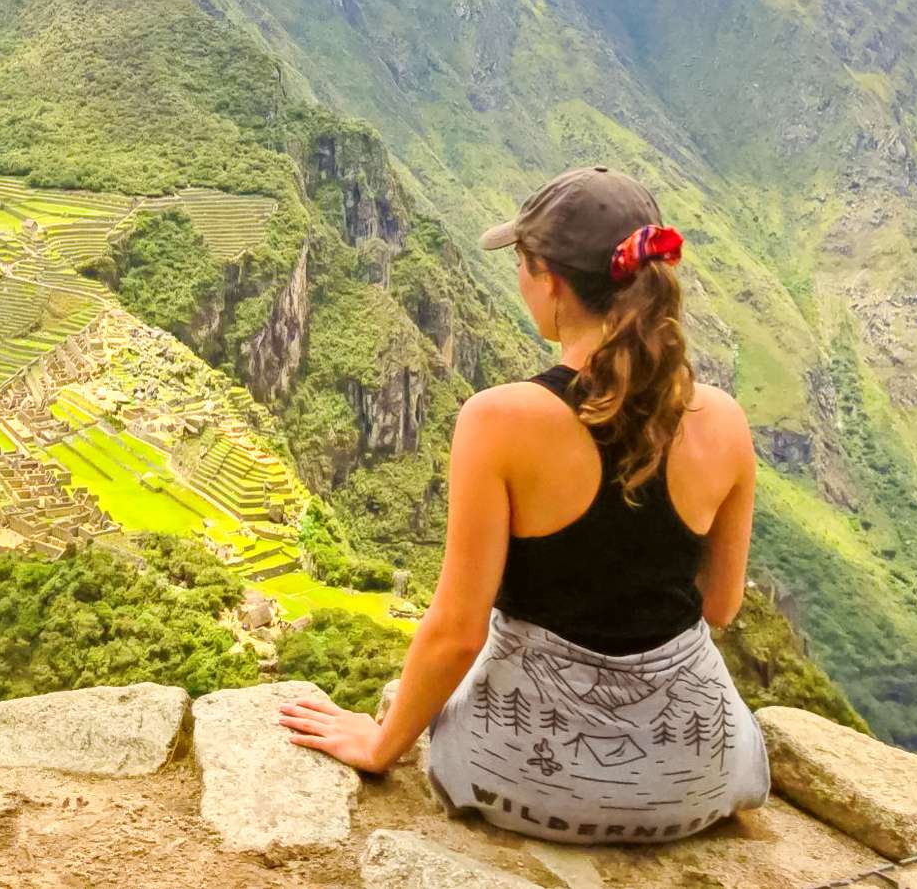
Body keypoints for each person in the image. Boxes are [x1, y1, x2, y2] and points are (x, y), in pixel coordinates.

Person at [278, 166, 768, 844]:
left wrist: (381, 743)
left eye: (522, 264)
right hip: (699, 778)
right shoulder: (724, 419)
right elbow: (719, 606)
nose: (519, 281)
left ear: (553, 282)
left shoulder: (499, 420)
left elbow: (457, 632)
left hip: (524, 777)